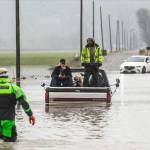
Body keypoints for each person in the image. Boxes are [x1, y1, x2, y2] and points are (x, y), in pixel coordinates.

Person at [0, 68, 35, 142]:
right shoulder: (14, 88)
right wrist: (30, 115)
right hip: (8, 122)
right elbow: (23, 103)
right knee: (10, 144)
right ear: (7, 76)